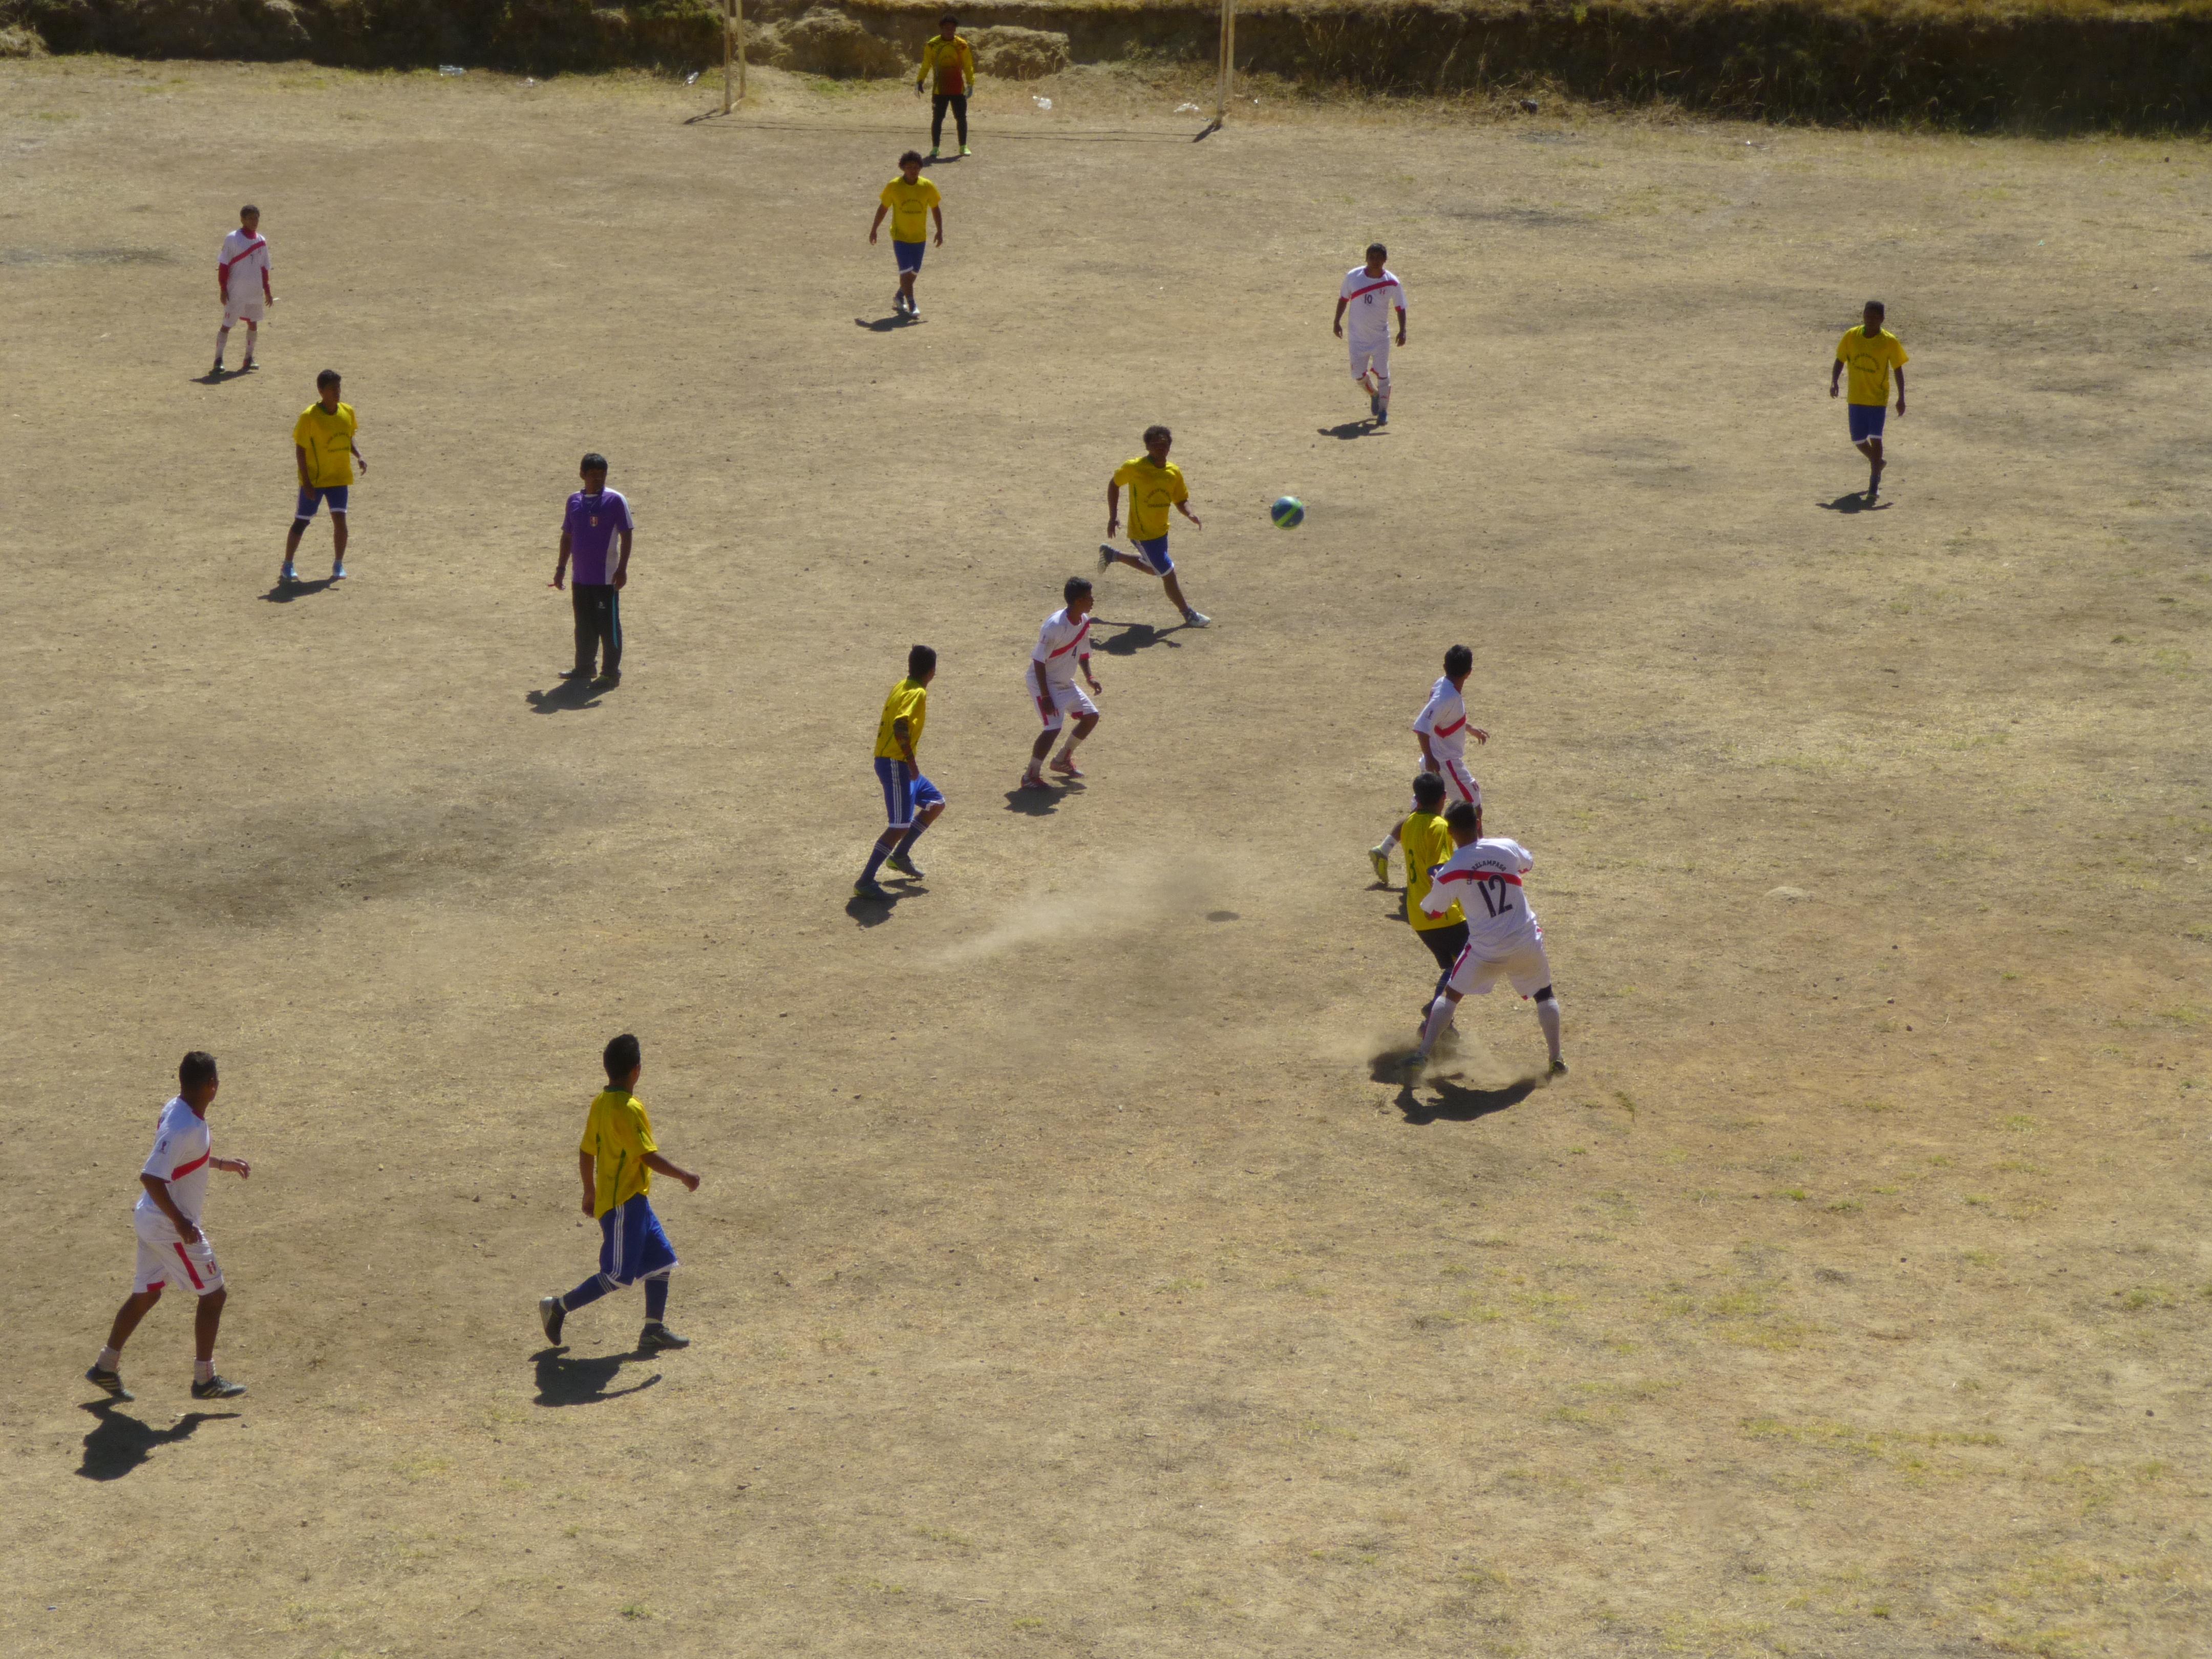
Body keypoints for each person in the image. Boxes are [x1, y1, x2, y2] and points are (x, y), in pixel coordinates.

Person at [86, 1051, 252, 1403]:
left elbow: (182, 1158)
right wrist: (181, 1222)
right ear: (212, 1086)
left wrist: (222, 1163)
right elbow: (151, 1176)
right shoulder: (184, 1127)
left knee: (147, 1293)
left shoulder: (177, 1109)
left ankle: (105, 1366)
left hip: (151, 1218)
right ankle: (204, 1379)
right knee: (214, 1294)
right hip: (167, 1225)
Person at [539, 1034, 700, 1354]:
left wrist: (589, 1192)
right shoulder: (628, 1109)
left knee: (661, 1261)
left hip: (633, 1201)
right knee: (615, 1275)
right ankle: (557, 1307)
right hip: (623, 1205)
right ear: (636, 1071)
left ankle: (653, 1329)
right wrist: (684, 1176)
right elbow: (647, 1156)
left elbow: (587, 1152)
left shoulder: (600, 1103)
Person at [1412, 803, 1565, 1077]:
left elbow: (1432, 913)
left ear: (1450, 831)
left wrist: (1439, 878)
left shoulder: (1451, 869)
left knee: (1451, 995)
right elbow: (1527, 865)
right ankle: (1556, 1059)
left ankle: (1422, 1056)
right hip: (1526, 940)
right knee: (1544, 994)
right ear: (1478, 821)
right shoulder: (1506, 846)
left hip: (1485, 951)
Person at [1369, 645, 1486, 880]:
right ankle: (1478, 864)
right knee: (1474, 807)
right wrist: (1432, 758)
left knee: (1419, 814)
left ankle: (1384, 850)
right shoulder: (1448, 697)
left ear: (1445, 667)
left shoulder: (1443, 685)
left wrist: (1469, 728)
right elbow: (1421, 726)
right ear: (1470, 672)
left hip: (1436, 761)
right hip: (1446, 764)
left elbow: (1441, 721)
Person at [856, 644, 945, 900]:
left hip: (898, 763)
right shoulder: (918, 693)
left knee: (935, 803)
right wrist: (911, 760)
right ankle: (865, 880)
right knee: (899, 825)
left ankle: (900, 855)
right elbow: (900, 724)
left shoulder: (901, 685)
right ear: (932, 671)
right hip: (895, 764)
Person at [1100, 426, 1210, 628]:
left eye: (1165, 444)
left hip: (1161, 532)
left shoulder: (1173, 472)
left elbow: (1181, 499)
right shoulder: (1134, 468)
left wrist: (1190, 513)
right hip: (1142, 534)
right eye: (1156, 445)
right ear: (1148, 447)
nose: (1161, 448)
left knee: (1155, 570)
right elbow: (1114, 485)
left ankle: (1113, 555)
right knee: (1168, 573)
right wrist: (1113, 516)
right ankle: (1188, 614)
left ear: (1170, 446)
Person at [550, 452, 633, 687]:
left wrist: (623, 569)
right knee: (584, 625)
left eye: (602, 475)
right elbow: (567, 536)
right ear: (582, 475)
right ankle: (585, 667)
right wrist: (561, 569)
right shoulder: (573, 501)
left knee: (609, 626)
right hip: (581, 577)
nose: (598, 479)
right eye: (593, 475)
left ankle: (610, 673)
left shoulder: (615, 500)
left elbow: (627, 535)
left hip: (606, 577)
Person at [1019, 576, 1103, 791]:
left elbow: (1083, 651)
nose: (1092, 601)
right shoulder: (1054, 626)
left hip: (1065, 682)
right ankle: (1031, 775)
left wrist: (1089, 677)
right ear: (1076, 602)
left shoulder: (1084, 620)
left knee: (1091, 717)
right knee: (1053, 727)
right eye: (1088, 598)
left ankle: (1062, 759)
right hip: (1043, 683)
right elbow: (1038, 661)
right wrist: (1046, 696)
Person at [1392, 773, 1469, 1006]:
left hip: (1417, 915)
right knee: (1468, 963)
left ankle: (1441, 1027)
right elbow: (1439, 870)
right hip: (1443, 915)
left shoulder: (1409, 823)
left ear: (1417, 798)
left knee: (1454, 968)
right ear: (1444, 798)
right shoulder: (1439, 826)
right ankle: (1435, 1012)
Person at [284, 369, 365, 585]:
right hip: (316, 481)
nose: (337, 392)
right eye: (332, 389)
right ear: (321, 391)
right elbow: (300, 450)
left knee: (340, 521)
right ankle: (288, 564)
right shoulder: (309, 416)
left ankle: (338, 563)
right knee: (301, 522)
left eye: (339, 387)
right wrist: (307, 483)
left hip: (339, 478)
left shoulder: (347, 412)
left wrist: (359, 456)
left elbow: (348, 438)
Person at [1830, 300, 1908, 501]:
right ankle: (1878, 462)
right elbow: (1840, 360)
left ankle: (1874, 482)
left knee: (1876, 438)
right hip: (1856, 397)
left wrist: (1901, 398)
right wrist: (1834, 382)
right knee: (1858, 440)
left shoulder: (1889, 341)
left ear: (1882, 319)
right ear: (1863, 315)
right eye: (1868, 316)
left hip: (1878, 399)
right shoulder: (1851, 336)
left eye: (1875, 317)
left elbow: (1898, 369)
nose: (1871, 321)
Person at [1333, 242, 1406, 425]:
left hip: (1381, 338)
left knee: (1383, 374)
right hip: (1357, 338)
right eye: (1371, 257)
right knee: (1357, 375)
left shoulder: (1392, 282)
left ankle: (1383, 411)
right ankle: (1373, 394)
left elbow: (1400, 307)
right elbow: (1343, 299)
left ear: (1385, 260)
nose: (1375, 261)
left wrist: (1403, 330)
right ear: (1366, 258)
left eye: (1379, 258)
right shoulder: (1353, 277)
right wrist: (1337, 321)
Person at [869, 151, 943, 320]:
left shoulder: (927, 186)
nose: (913, 171)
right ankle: (912, 304)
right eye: (909, 167)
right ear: (903, 168)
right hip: (900, 236)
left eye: (916, 168)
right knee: (905, 271)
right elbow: (883, 209)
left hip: (919, 237)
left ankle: (899, 296)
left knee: (913, 273)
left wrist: (940, 231)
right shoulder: (894, 186)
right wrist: (874, 229)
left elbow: (935, 208)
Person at [213, 205, 273, 377]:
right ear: (243, 219)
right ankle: (218, 359)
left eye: (256, 218)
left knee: (253, 323)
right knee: (227, 325)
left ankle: (249, 357)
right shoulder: (233, 239)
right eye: (251, 218)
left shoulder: (261, 241)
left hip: (254, 291)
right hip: (236, 291)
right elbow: (224, 265)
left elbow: (264, 268)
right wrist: (223, 288)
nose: (254, 222)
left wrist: (267, 290)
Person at [914, 14, 976, 160]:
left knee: (961, 118)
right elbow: (926, 64)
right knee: (937, 118)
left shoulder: (962, 45)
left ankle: (963, 146)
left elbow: (968, 65)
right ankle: (935, 148)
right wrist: (919, 81)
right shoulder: (932, 44)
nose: (949, 30)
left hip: (958, 89)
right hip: (939, 90)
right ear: (941, 29)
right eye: (946, 28)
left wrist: (970, 83)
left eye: (952, 28)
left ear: (955, 29)